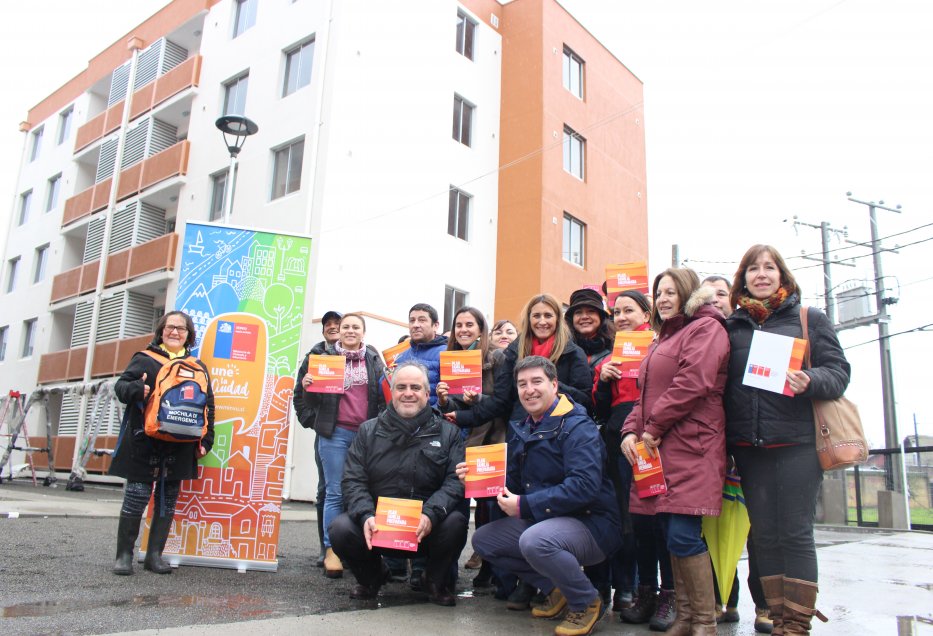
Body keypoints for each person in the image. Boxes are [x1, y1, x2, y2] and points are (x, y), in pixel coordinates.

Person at [725, 245, 850, 634]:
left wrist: (810, 381)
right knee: (763, 535)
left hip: (797, 443)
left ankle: (796, 624)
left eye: (769, 268)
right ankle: (777, 616)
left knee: (795, 532)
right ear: (743, 278)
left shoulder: (808, 318)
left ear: (783, 275)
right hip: (749, 446)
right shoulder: (733, 327)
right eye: (753, 269)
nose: (761, 274)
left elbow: (839, 372)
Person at [445, 293, 593, 607]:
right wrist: (463, 415)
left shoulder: (573, 353)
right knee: (507, 507)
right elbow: (500, 401)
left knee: (542, 507)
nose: (541, 321)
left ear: (557, 319)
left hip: (557, 438)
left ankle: (565, 588)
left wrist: (545, 382)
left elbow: (585, 398)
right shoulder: (514, 351)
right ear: (528, 319)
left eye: (548, 315)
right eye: (536, 315)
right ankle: (524, 583)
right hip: (519, 437)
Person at [464, 356, 622, 636]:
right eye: (522, 384)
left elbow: (584, 486)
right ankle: (557, 587)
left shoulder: (577, 426)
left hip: (592, 524)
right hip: (549, 521)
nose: (529, 390)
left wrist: (525, 504)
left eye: (537, 381)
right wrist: (478, 478)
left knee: (535, 541)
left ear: (554, 384)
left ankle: (586, 601)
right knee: (484, 540)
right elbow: (511, 482)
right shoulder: (524, 426)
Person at [620, 268, 730, 635]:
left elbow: (692, 383)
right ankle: (685, 617)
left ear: (688, 293)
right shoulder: (661, 339)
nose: (663, 298)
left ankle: (704, 621)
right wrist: (630, 430)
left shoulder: (706, 328)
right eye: (659, 293)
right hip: (660, 448)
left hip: (692, 446)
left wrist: (651, 429)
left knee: (683, 533)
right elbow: (644, 394)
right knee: (670, 532)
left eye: (670, 291)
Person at [329, 362, 467, 606]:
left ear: (427, 394)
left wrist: (430, 515)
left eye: (415, 387)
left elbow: (454, 482)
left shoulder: (449, 433)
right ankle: (372, 577)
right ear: (392, 393)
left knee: (456, 522)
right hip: (378, 528)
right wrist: (366, 516)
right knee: (340, 528)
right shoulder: (367, 431)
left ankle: (433, 580)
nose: (408, 393)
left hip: (425, 528)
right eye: (401, 387)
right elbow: (353, 480)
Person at [110, 310, 215, 575]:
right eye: (170, 327)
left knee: (167, 499)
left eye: (181, 329)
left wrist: (207, 440)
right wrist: (136, 389)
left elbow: (208, 406)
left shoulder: (197, 367)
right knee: (137, 496)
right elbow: (121, 388)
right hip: (143, 441)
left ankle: (154, 556)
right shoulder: (144, 359)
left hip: (180, 445)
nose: (175, 332)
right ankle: (124, 556)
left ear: (189, 335)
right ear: (161, 331)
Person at [594, 290, 673, 628]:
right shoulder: (607, 358)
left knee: (660, 517)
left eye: (629, 310)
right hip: (618, 440)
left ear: (646, 313)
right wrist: (603, 380)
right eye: (616, 312)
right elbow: (598, 408)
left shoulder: (661, 346)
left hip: (655, 437)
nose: (622, 317)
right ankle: (638, 590)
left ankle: (667, 594)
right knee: (629, 518)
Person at [701, 275, 772, 632]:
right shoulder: (697, 338)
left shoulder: (750, 333)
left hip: (751, 443)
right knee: (712, 523)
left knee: (757, 528)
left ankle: (764, 604)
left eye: (720, 293)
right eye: (706, 294)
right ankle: (720, 600)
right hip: (712, 445)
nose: (713, 299)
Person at [296, 313, 386, 578]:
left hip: (365, 436)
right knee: (334, 491)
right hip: (334, 435)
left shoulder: (373, 359)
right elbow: (304, 401)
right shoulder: (322, 359)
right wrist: (308, 392)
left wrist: (379, 427)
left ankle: (358, 547)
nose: (349, 330)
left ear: (363, 332)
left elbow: (382, 397)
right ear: (339, 331)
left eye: (355, 327)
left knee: (362, 491)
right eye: (346, 326)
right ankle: (331, 549)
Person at [436, 306, 507, 586]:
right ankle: (448, 570)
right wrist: (443, 400)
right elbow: (454, 405)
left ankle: (490, 566)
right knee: (458, 505)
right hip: (460, 440)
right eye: (459, 325)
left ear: (481, 328)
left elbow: (504, 402)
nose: (463, 330)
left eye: (470, 325)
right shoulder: (453, 359)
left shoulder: (497, 357)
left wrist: (477, 400)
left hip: (489, 439)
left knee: (490, 507)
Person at [293, 310, 343, 569]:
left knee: (352, 489)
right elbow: (299, 394)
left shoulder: (361, 354)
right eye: (329, 324)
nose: (333, 327)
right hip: (327, 432)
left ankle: (349, 548)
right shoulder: (314, 356)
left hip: (356, 432)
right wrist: (314, 421)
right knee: (326, 490)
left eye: (338, 323)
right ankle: (326, 548)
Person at [395, 303, 448, 406]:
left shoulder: (447, 354)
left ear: (435, 325)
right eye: (412, 320)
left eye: (422, 320)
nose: (415, 325)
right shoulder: (400, 357)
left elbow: (452, 398)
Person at [566, 288, 615, 375]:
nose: (584, 316)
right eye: (578, 312)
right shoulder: (562, 349)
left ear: (601, 317)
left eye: (591, 311)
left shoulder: (615, 347)